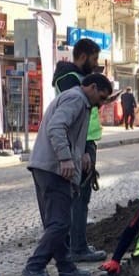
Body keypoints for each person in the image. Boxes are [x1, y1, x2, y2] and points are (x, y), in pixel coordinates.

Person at [23, 72, 114, 276]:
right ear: (92, 87)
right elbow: (56, 128)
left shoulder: (78, 101)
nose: (101, 105)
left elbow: (69, 133)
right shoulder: (76, 99)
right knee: (60, 224)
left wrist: (80, 153)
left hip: (46, 167)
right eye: (101, 98)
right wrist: (65, 158)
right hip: (54, 169)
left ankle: (67, 271)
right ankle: (35, 266)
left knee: (57, 224)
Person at [54, 38, 107, 262]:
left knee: (80, 197)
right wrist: (84, 149)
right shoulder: (71, 80)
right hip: (80, 145)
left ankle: (75, 245)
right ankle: (77, 248)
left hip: (85, 142)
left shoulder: (77, 78)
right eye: (94, 59)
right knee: (79, 197)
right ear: (83, 56)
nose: (96, 65)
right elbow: (75, 118)